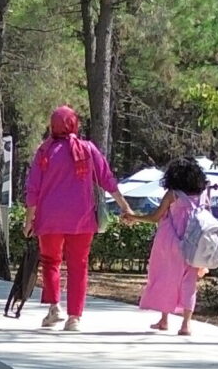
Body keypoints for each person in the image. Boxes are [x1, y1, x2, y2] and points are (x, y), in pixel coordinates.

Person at [22, 106, 142, 332]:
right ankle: (74, 318)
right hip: (82, 218)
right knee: (78, 265)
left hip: (49, 218)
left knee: (51, 261)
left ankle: (54, 308)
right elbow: (107, 179)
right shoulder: (88, 149)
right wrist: (125, 207)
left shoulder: (44, 151)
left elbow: (33, 188)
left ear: (53, 125)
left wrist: (29, 219)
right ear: (74, 124)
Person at [140, 156, 212, 335]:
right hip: (195, 243)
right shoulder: (202, 195)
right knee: (189, 284)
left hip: (170, 242)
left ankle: (164, 319)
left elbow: (155, 217)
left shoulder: (173, 194)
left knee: (167, 278)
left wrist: (133, 217)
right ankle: (186, 324)